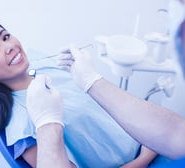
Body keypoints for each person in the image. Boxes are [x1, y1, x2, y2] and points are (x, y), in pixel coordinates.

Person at [0, 17, 156, 167]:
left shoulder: (38, 62)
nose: (9, 47)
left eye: (5, 36)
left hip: (142, 136)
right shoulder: (21, 128)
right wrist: (146, 156)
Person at [26, 0, 185, 167]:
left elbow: (175, 135)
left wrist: (47, 125)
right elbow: (176, 133)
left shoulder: (49, 72)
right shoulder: (18, 125)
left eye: (6, 36)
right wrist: (92, 81)